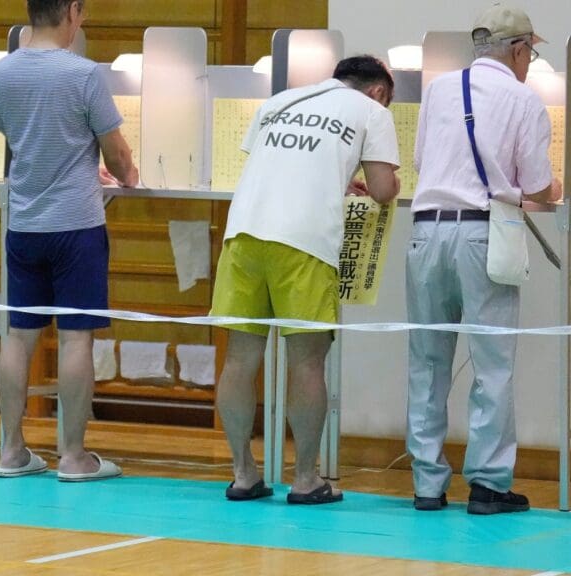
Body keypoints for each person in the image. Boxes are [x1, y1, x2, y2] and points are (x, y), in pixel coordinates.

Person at [211, 56, 401, 504]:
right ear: (378, 92)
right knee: (307, 362)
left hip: (242, 235)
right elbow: (382, 188)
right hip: (305, 242)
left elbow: (282, 166)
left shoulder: (278, 102)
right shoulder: (372, 112)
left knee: (240, 359)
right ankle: (306, 478)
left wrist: (338, 177)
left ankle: (243, 474)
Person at [406, 4, 561, 514]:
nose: (529, 63)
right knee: (492, 365)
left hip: (427, 232)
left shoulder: (438, 90)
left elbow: (423, 163)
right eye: (530, 54)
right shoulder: (523, 100)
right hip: (483, 235)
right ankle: (489, 485)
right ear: (518, 49)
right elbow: (538, 185)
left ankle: (427, 484)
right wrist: (552, 186)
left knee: (427, 361)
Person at [0, 0, 138, 481]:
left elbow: (16, 135)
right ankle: (72, 456)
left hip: (24, 223)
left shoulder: (3, 72)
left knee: (18, 336)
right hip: (76, 224)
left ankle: (11, 450)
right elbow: (115, 151)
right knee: (76, 337)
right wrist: (128, 174)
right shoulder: (85, 74)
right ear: (72, 11)